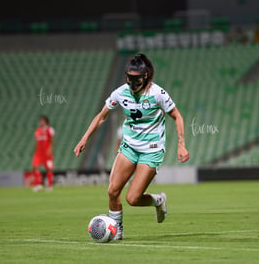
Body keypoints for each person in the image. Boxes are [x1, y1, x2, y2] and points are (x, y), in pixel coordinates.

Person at [74, 53, 190, 240]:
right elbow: (101, 116)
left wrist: (181, 145)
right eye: (130, 78)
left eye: (136, 79)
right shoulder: (120, 93)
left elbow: (177, 116)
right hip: (129, 147)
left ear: (145, 76)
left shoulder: (157, 94)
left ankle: (158, 200)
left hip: (151, 150)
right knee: (112, 191)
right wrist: (84, 138)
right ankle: (117, 231)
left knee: (133, 199)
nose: (132, 84)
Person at [32, 115, 55, 192]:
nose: (41, 122)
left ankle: (49, 186)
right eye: (40, 120)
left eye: (42, 120)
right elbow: (37, 142)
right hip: (38, 152)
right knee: (35, 166)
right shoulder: (37, 130)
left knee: (49, 169)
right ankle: (39, 184)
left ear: (46, 121)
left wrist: (50, 149)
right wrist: (35, 150)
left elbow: (52, 140)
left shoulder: (50, 130)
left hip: (47, 153)